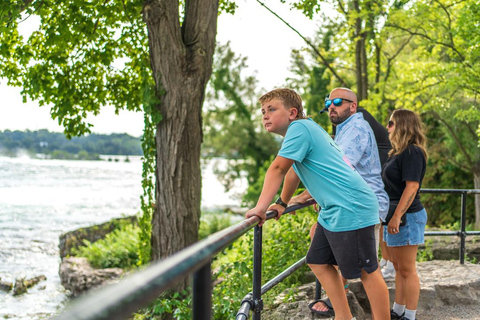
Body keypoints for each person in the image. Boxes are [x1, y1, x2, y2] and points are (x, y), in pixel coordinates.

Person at [245, 88, 390, 320]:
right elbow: (293, 169)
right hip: (333, 209)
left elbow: (278, 168)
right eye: (263, 111)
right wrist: (282, 202)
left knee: (367, 271)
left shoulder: (299, 128)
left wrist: (260, 208)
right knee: (318, 260)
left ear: (292, 112)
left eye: (272, 109)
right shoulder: (305, 128)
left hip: (351, 205)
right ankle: (344, 317)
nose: (265, 115)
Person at [290, 88, 390, 316]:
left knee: (368, 271)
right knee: (320, 253)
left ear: (353, 106)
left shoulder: (355, 128)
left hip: (360, 205)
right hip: (344, 204)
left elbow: (337, 171)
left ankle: (350, 305)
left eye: (337, 102)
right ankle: (340, 304)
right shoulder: (343, 130)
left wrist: (302, 196)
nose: (331, 107)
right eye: (328, 103)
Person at [382, 109, 428, 320]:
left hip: (407, 217)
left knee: (407, 269)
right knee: (399, 268)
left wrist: (397, 216)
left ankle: (410, 315)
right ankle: (398, 310)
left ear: (402, 125)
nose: (387, 127)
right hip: (397, 216)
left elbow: (412, 187)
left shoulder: (413, 152)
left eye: (391, 123)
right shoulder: (397, 153)